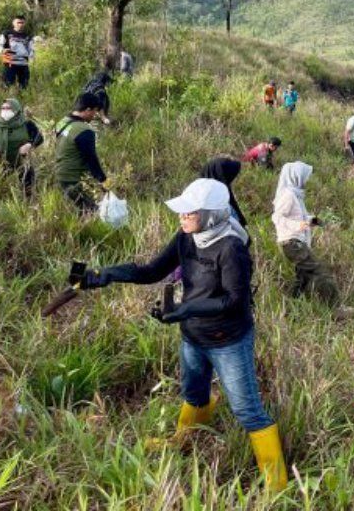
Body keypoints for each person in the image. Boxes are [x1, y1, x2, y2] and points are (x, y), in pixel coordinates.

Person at [78, 178, 287, 491]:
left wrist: (185, 309)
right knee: (194, 392)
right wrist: (106, 274)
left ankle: (277, 485)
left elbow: (234, 301)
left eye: (189, 213)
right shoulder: (187, 237)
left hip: (227, 340)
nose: (182, 217)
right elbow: (151, 270)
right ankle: (182, 441)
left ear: (211, 215)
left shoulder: (231, 248)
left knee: (247, 410)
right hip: (194, 337)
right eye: (182, 212)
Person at [273, 161, 337, 306]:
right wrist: (298, 225)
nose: (306, 180)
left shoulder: (295, 195)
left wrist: (312, 220)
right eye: (304, 176)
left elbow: (298, 216)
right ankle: (335, 307)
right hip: (292, 243)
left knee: (302, 277)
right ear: (296, 176)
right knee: (320, 271)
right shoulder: (288, 195)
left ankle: (292, 306)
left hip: (295, 241)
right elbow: (277, 217)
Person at [54, 93, 107, 213]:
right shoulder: (84, 131)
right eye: (94, 111)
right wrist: (104, 182)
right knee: (93, 212)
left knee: (78, 211)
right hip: (74, 179)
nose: (95, 116)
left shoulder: (62, 122)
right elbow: (91, 160)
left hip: (60, 176)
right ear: (88, 110)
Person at [0, 97, 44, 197]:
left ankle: (27, 206)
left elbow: (39, 138)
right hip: (1, 163)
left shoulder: (26, 123)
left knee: (28, 190)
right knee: (1, 192)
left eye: (8, 108)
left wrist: (29, 145)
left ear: (16, 109)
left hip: (23, 162)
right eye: (3, 108)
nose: (5, 111)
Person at [0, 15, 34, 89]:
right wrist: (3, 50)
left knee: (24, 86)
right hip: (10, 63)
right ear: (13, 23)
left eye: (22, 23)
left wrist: (31, 59)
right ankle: (6, 99)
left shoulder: (28, 36)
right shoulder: (7, 33)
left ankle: (22, 99)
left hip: (23, 64)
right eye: (18, 22)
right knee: (7, 85)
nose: (20, 24)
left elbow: (31, 49)